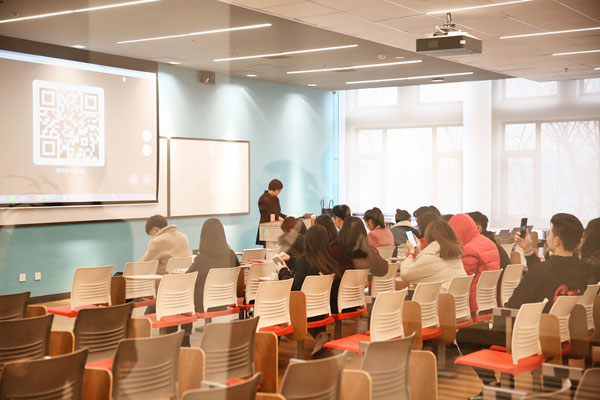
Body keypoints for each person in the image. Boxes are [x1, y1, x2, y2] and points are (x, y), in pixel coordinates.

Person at [456, 213, 594, 388]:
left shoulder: (544, 270)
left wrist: (495, 320)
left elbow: (514, 306)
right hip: (561, 334)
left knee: (465, 334)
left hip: (528, 336)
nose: (549, 236)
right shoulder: (584, 269)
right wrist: (528, 250)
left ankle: (493, 384)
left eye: (550, 233)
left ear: (557, 241)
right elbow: (550, 274)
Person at [277, 225, 338, 356]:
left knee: (275, 308)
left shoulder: (305, 260)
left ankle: (271, 350)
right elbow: (308, 270)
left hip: (302, 310)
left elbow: (294, 289)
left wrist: (283, 271)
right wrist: (292, 260)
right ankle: (320, 334)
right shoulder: (330, 261)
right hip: (320, 309)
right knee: (309, 304)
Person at [329, 216, 388, 313]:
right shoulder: (365, 252)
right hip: (355, 302)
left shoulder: (333, 249)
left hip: (332, 304)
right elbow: (383, 270)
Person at [448, 214, 500, 313]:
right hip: (489, 301)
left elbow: (462, 278)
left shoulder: (469, 249)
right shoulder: (489, 242)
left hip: (472, 303)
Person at [186, 218, 240, 313]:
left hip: (202, 304)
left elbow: (187, 278)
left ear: (204, 237)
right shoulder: (231, 255)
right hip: (224, 302)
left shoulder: (201, 259)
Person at [400, 219, 466, 290]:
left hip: (437, 296)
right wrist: (419, 251)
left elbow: (405, 275)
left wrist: (411, 252)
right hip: (454, 295)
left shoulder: (430, 257)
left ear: (429, 236)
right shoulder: (455, 255)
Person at [256, 179, 286, 246]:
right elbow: (266, 214)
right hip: (267, 228)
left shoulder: (276, 198)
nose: (279, 192)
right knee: (268, 248)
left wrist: (285, 217)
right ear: (275, 189)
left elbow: (277, 213)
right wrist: (278, 218)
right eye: (279, 191)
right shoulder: (263, 199)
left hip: (275, 226)